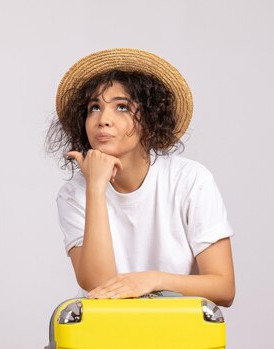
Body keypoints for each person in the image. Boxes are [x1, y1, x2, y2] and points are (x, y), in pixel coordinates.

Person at [46, 48, 235, 307]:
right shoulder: (74, 194)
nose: (103, 119)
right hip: (106, 334)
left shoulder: (190, 180)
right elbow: (99, 285)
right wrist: (96, 188)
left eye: (122, 107)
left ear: (150, 119)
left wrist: (151, 281)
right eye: (94, 108)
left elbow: (223, 288)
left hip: (179, 332)